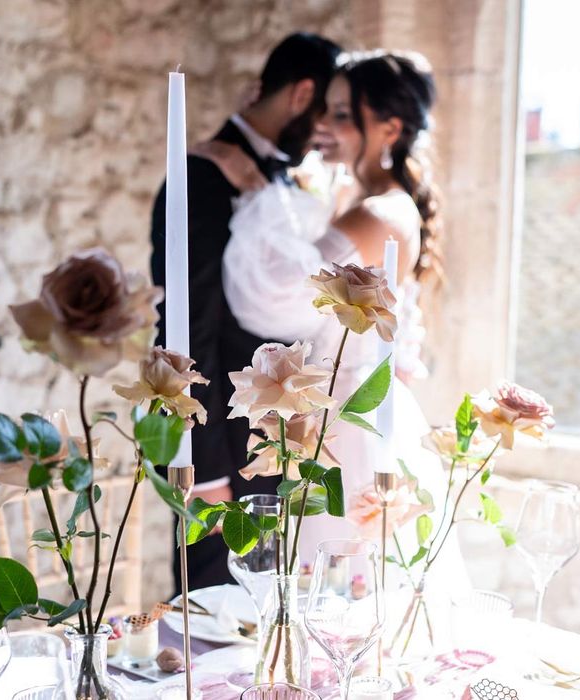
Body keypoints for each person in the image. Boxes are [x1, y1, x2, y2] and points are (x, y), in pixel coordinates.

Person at [206, 50, 469, 590]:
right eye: (327, 109)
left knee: (335, 594)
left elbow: (278, 290)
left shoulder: (378, 213)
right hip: (336, 419)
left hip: (349, 427)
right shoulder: (363, 201)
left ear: (389, 128)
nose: (324, 125)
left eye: (344, 114)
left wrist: (258, 188)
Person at [150, 33, 342, 593]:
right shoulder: (203, 176)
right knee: (213, 620)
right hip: (220, 449)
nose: (331, 131)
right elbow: (187, 329)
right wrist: (203, 469)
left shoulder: (282, 176)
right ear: (303, 93)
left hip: (279, 445)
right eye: (330, 111)